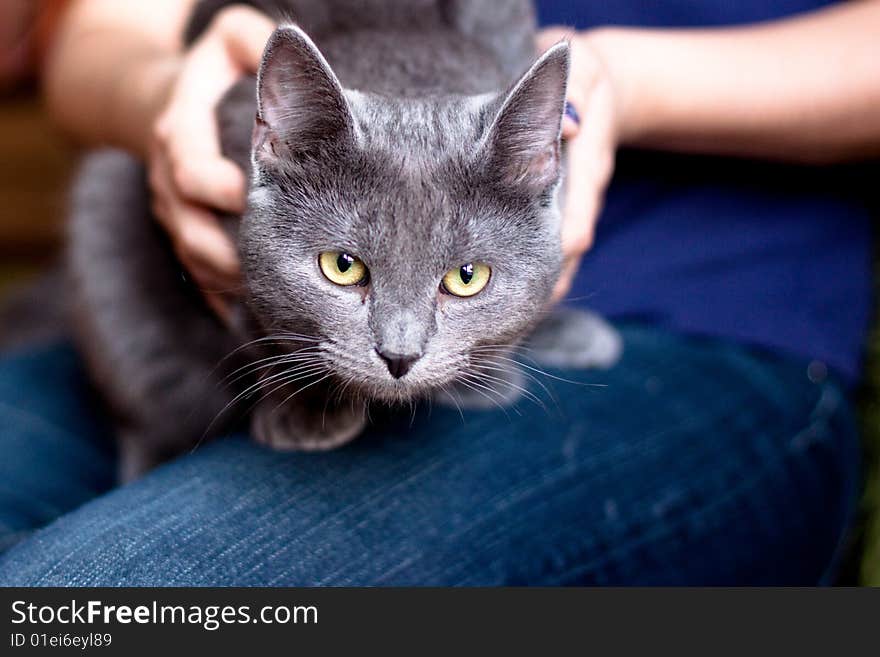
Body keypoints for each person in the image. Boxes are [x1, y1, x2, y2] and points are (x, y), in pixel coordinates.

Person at [0, 0, 876, 584]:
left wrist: (630, 84)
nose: (399, 347)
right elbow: (102, 32)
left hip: (706, 305)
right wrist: (168, 97)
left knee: (89, 596)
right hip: (239, 325)